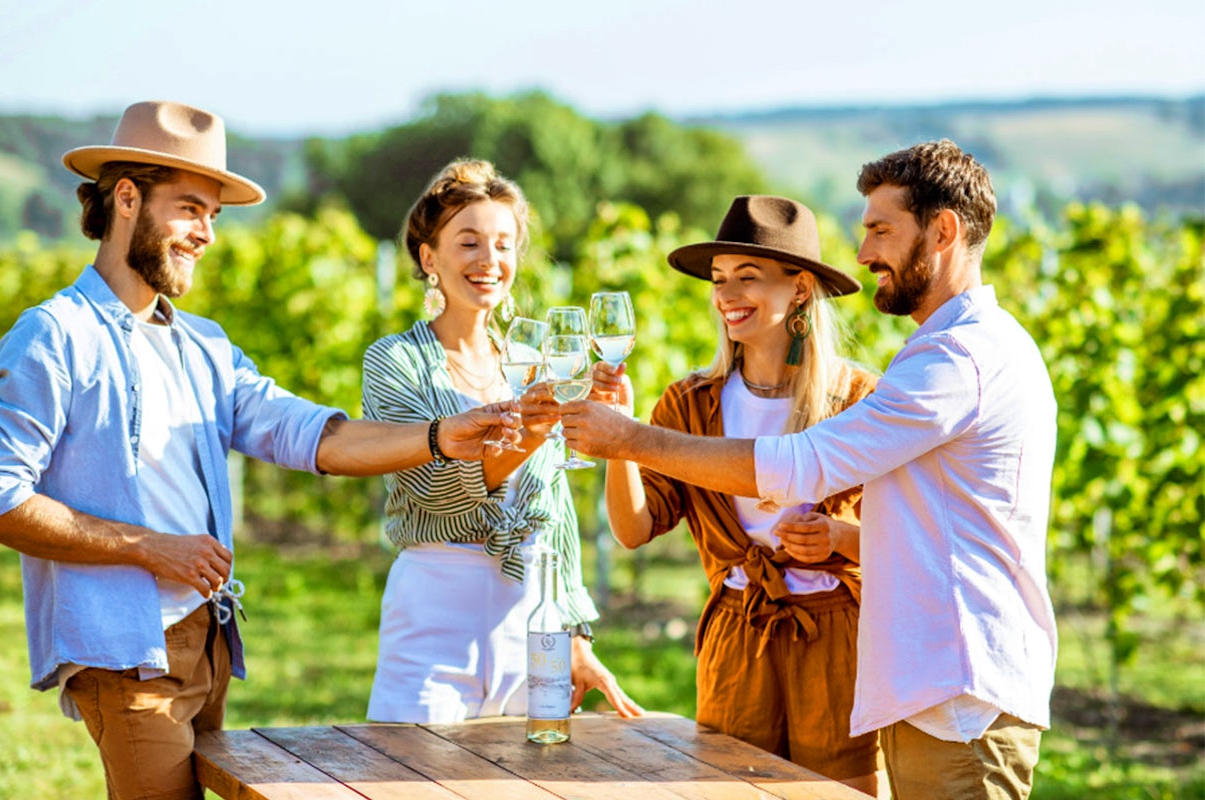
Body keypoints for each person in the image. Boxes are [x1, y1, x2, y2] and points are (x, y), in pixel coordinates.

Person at [0, 100, 518, 800]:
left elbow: (310, 432)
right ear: (126, 198)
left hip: (207, 641)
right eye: (191, 209)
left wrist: (439, 437)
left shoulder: (205, 345)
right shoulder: (54, 337)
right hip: (128, 651)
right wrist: (150, 548)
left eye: (214, 216)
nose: (207, 234)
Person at [560, 140, 1057, 800]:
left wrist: (631, 438)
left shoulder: (946, 364)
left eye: (881, 229)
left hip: (948, 681)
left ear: (943, 231)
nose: (863, 252)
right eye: (719, 279)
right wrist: (631, 440)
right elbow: (917, 524)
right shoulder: (941, 353)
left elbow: (802, 466)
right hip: (917, 679)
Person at [578, 195, 882, 793]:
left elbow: (909, 537)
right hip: (738, 640)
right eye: (719, 280)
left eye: (748, 277)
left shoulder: (860, 400)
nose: (727, 295)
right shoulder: (690, 404)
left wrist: (839, 538)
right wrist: (624, 437)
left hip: (838, 641)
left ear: (799, 289)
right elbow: (633, 530)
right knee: (730, 787)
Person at [361, 158, 642, 724]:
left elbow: (555, 514)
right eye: (469, 243)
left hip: (531, 623)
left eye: (504, 245)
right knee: (409, 782)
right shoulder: (394, 362)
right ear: (428, 258)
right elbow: (434, 488)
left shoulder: (536, 366)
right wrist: (533, 434)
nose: (490, 261)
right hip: (435, 614)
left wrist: (575, 632)